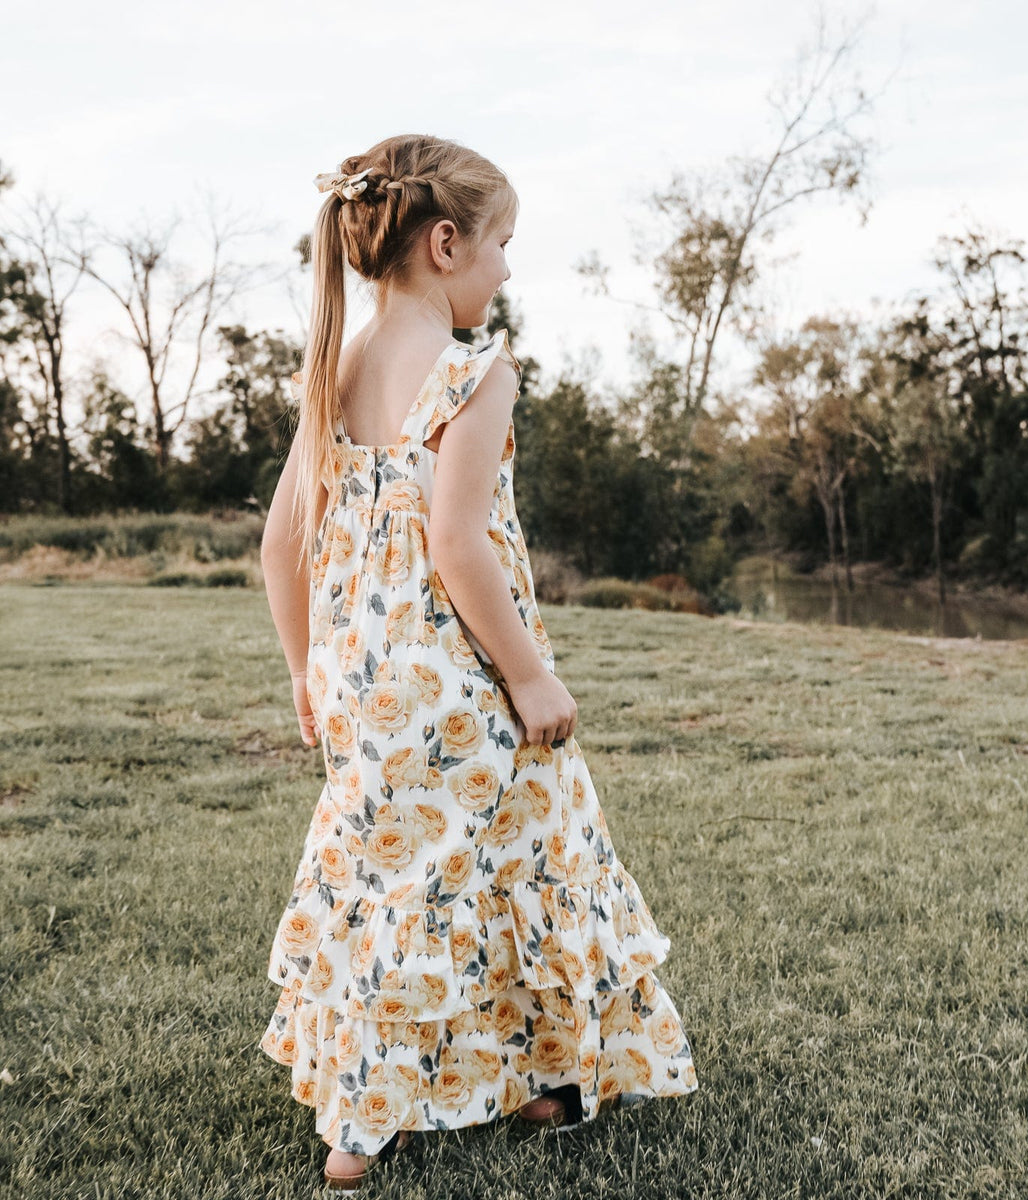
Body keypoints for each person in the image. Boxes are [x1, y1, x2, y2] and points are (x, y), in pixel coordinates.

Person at [257, 134, 698, 1192]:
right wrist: (531, 676)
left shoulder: (335, 369)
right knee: (529, 857)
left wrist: (304, 673)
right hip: (459, 682)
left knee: (395, 878)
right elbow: (458, 548)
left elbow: (281, 544)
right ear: (446, 244)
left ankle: (430, 1106)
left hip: (364, 684)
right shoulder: (474, 369)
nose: (507, 268)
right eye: (503, 244)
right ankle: (477, 1090)